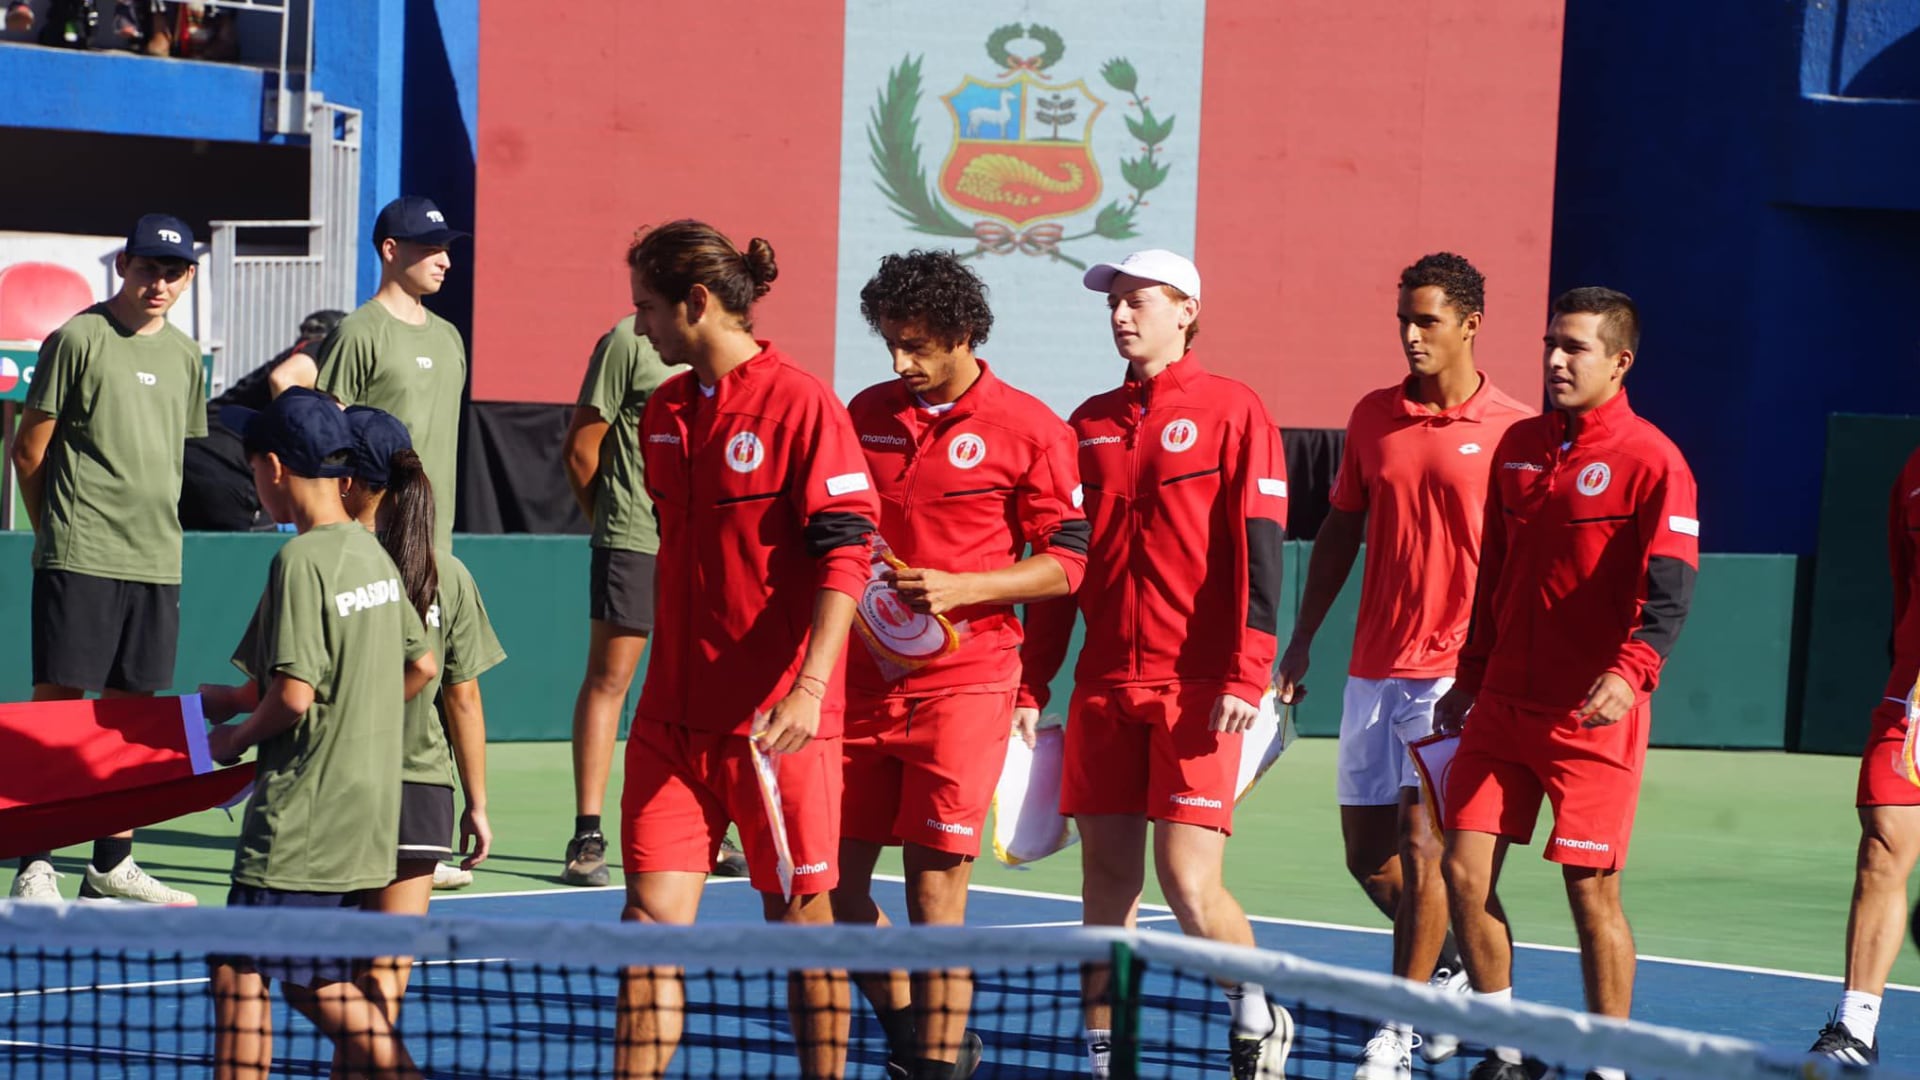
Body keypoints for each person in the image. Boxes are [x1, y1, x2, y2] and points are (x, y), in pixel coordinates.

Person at [1019, 249, 1294, 1080]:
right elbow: (1066, 567)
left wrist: (1248, 671)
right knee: (1105, 887)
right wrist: (1036, 680)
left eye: (1140, 302)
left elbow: (1260, 550)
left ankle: (1254, 1010)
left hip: (1201, 689)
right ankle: (1106, 1056)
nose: (1121, 316)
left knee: (1187, 883)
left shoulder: (1235, 411)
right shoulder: (1088, 421)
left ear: (1186, 310)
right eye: (1115, 304)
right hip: (1105, 687)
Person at [616, 220, 879, 1080]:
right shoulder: (661, 410)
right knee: (647, 936)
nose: (639, 327)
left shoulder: (802, 403)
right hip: (669, 724)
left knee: (804, 933)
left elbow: (848, 550)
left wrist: (809, 687)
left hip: (777, 728)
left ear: (697, 302)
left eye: (647, 309)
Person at [1271, 253, 1533, 1077]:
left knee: (1427, 847)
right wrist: (1304, 636)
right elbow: (1343, 529)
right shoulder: (1371, 417)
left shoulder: (1515, 431)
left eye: (1426, 321)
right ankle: (1454, 963)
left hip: (1456, 672)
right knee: (1370, 857)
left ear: (1469, 324)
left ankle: (1398, 1027)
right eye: (1403, 322)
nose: (1412, 336)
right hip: (1371, 666)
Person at [833, 250, 1089, 1080]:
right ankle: (919, 1034)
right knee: (832, 885)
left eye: (916, 346)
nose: (900, 363)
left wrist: (965, 586)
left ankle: (935, 1064)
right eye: (890, 344)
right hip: (860, 684)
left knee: (934, 887)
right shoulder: (864, 411)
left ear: (962, 333)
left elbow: (1070, 562)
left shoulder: (1033, 428)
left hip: (968, 683)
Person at [1433, 287, 1697, 1080]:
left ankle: (1606, 1064)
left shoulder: (1655, 459)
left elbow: (1672, 584)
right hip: (1501, 708)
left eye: (1574, 347)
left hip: (1591, 717)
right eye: (1551, 342)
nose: (1553, 359)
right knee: (1461, 872)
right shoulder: (1516, 447)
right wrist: (1468, 676)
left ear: (1620, 361)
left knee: (1592, 896)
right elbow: (1495, 580)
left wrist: (1633, 670)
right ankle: (1507, 1048)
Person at [198, 386, 436, 1079]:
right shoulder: (373, 556)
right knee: (290, 972)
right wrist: (359, 720)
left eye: (251, 470)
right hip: (366, 816)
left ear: (272, 467)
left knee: (250, 972)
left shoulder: (299, 560)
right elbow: (421, 662)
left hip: (301, 818)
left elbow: (294, 695)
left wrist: (235, 740)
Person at [9, 212, 207, 904]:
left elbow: (169, 457)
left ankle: (111, 862)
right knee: (59, 710)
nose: (160, 282)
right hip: (80, 553)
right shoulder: (79, 338)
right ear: (124, 266)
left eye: (174, 271)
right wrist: (57, 534)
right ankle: (36, 859)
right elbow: (29, 450)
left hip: (157, 560)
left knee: (132, 719)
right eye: (149, 267)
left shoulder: (187, 358)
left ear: (188, 278)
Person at [338, 405, 504, 1022]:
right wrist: (477, 805)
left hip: (338, 795)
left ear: (346, 480)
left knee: (302, 973)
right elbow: (463, 695)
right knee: (383, 987)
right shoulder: (450, 573)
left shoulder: (324, 564)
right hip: (423, 798)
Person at [560, 314, 690, 887]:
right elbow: (582, 448)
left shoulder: (719, 349)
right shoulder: (625, 340)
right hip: (633, 539)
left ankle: (709, 827)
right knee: (610, 679)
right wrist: (616, 524)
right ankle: (587, 832)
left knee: (696, 684)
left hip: (700, 545)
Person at [275, 195, 469, 554]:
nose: (446, 261)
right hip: (373, 541)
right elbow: (329, 447)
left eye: (444, 249)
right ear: (391, 249)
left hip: (436, 540)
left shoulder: (450, 338)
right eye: (431, 249)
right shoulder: (358, 332)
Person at [1809, 441, 1920, 1065]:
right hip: (1915, 693)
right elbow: (1905, 583)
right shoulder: (1913, 472)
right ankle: (1856, 1028)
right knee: (1882, 843)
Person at [181, 309, 346, 532]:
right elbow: (283, 379)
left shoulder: (297, 358)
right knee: (257, 553)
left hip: (192, 457)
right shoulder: (328, 351)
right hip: (228, 465)